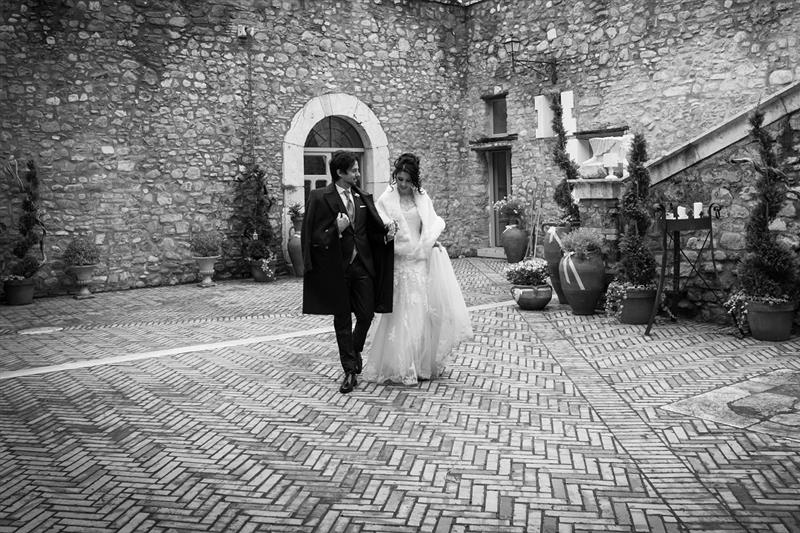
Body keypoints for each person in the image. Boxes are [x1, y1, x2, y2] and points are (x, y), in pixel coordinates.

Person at [363, 153, 472, 385]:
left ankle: (422, 364)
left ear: (414, 180)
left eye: (407, 180)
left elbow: (430, 225)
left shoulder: (422, 197)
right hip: (399, 262)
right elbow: (377, 228)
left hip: (419, 261)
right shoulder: (386, 199)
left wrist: (432, 241)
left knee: (422, 314)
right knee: (399, 314)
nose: (403, 184)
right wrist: (388, 235)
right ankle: (401, 365)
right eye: (399, 179)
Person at [302, 151, 395, 394]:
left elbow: (369, 232)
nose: (358, 174)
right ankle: (350, 370)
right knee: (342, 320)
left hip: (362, 266)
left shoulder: (362, 197)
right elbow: (312, 236)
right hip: (336, 268)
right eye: (354, 170)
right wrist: (336, 228)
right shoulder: (319, 197)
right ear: (340, 173)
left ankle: (354, 350)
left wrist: (386, 235)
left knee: (366, 314)